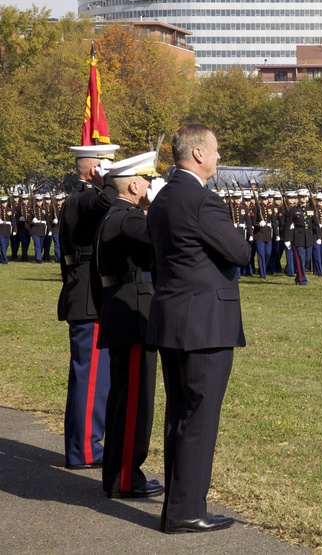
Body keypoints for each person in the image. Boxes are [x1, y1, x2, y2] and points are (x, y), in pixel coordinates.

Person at [147, 124, 252, 533]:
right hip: (204, 323)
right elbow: (240, 252)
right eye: (215, 151)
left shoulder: (164, 198)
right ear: (196, 155)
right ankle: (187, 510)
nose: (219, 157)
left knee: (180, 414)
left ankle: (177, 506)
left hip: (172, 317)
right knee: (200, 418)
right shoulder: (201, 201)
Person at [92, 151, 165, 499]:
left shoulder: (117, 216)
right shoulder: (129, 219)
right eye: (148, 181)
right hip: (133, 314)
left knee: (125, 399)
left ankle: (120, 474)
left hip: (122, 312)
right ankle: (125, 478)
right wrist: (163, 203)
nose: (150, 186)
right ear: (135, 184)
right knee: (135, 402)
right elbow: (164, 240)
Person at [58, 142, 120, 470]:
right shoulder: (82, 198)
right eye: (108, 166)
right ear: (92, 168)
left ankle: (87, 444)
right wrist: (107, 180)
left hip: (90, 294)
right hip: (87, 298)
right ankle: (84, 450)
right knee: (91, 379)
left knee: (99, 379)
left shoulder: (85, 199)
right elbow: (109, 198)